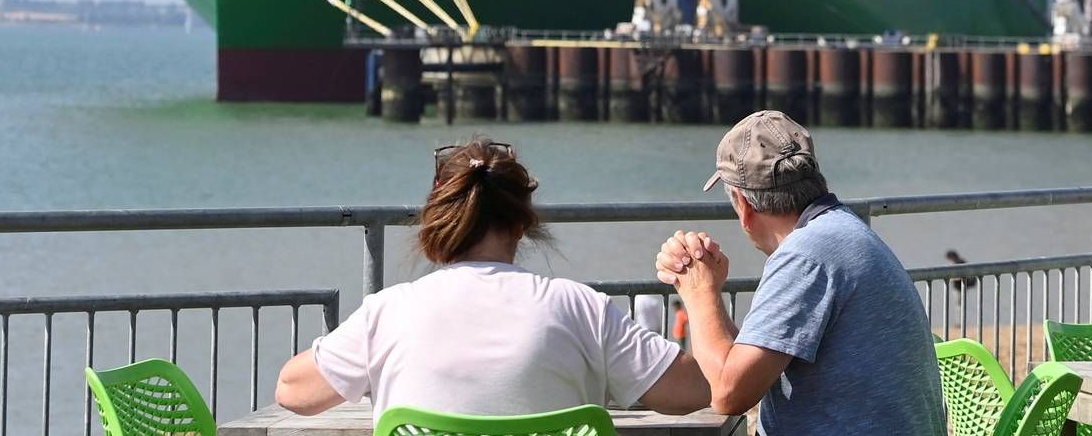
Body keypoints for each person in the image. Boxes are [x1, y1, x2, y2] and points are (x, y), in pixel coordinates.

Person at [274, 138, 709, 421]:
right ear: (522, 225)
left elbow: (292, 390)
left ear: (439, 222)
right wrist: (700, 293)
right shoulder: (581, 308)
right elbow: (693, 390)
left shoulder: (388, 312)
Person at [656, 110, 943, 434]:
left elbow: (727, 393)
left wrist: (697, 292)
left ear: (744, 205)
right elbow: (749, 372)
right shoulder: (841, 232)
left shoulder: (807, 256)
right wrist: (711, 291)